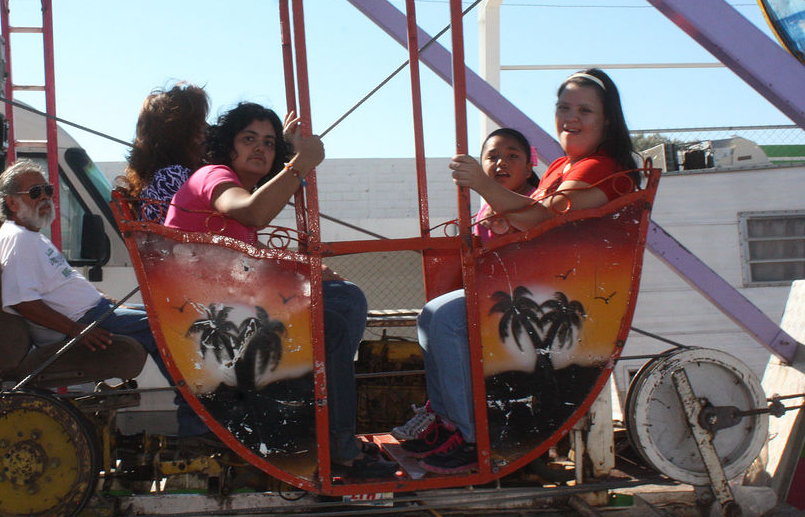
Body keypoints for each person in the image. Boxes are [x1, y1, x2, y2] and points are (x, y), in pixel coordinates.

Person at [398, 69, 638, 475]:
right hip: (536, 283)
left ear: (607, 120)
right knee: (434, 313)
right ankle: (447, 420)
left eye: (584, 110)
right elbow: (534, 218)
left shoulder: (598, 167)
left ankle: (471, 437)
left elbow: (542, 217)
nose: (571, 118)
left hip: (559, 295)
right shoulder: (564, 165)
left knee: (448, 320)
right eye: (564, 108)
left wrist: (482, 183)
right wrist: (510, 220)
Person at [164, 102, 396, 480]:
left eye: (270, 143)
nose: (260, 149)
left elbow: (242, 264)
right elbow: (253, 213)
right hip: (209, 321)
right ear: (228, 146)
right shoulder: (214, 176)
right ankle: (338, 445)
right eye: (249, 139)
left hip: (222, 309)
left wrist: (304, 270)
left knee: (341, 300)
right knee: (337, 317)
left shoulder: (238, 187)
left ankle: (331, 435)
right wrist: (301, 163)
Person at [0, 160, 207, 437]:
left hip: (96, 313)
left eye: (47, 190)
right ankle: (197, 424)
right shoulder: (17, 239)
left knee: (181, 316)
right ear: (11, 203)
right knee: (171, 327)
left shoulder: (30, 237)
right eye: (34, 192)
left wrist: (112, 306)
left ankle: (201, 414)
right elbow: (22, 301)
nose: (44, 197)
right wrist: (78, 331)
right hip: (83, 322)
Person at [391, 127, 539, 443]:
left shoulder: (530, 201)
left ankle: (466, 432)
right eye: (493, 156)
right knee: (430, 313)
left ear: (528, 167)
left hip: (521, 295)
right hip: (492, 291)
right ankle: (440, 412)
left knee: (444, 320)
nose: (502, 163)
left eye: (512, 156)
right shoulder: (487, 205)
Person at [116, 82, 210, 222]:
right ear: (182, 132)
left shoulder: (154, 178)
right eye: (200, 124)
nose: (206, 129)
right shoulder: (173, 176)